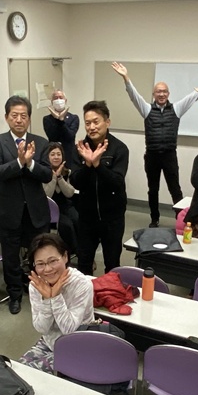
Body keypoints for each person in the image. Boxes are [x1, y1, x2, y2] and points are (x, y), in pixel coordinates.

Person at [111, 61, 198, 228]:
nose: (162, 94)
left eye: (164, 91)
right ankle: (154, 219)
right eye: (158, 91)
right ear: (154, 94)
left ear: (168, 93)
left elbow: (194, 96)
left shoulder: (177, 108)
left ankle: (181, 218)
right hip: (152, 156)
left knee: (175, 189)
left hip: (169, 155)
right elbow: (134, 95)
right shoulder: (147, 109)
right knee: (153, 189)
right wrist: (126, 78)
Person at [0, 95, 51, 314]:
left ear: (29, 118)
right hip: (9, 211)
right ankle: (14, 294)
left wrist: (30, 163)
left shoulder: (40, 142)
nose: (19, 120)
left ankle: (40, 291)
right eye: (14, 115)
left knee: (40, 255)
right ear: (7, 117)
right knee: (11, 257)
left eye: (23, 116)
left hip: (35, 211)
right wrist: (18, 162)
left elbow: (47, 175)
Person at [19, 233, 95, 374]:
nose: (48, 269)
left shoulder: (82, 284)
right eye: (40, 264)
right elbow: (41, 328)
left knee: (37, 375)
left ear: (65, 257)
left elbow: (69, 330)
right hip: (49, 343)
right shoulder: (36, 285)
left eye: (53, 261)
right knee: (19, 371)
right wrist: (46, 299)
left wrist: (55, 297)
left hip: (78, 345)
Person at [70, 100, 129, 275]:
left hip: (113, 217)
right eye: (87, 123)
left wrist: (97, 165)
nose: (92, 127)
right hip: (86, 217)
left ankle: (110, 292)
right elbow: (75, 182)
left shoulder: (119, 148)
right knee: (84, 262)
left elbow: (117, 182)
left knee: (112, 264)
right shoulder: (79, 149)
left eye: (96, 122)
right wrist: (88, 165)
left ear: (107, 122)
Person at [42, 144, 78, 257]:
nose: (56, 157)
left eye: (59, 154)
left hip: (66, 207)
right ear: (47, 157)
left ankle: (83, 250)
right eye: (52, 154)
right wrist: (53, 178)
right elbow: (47, 194)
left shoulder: (67, 172)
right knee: (67, 226)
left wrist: (59, 177)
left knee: (79, 221)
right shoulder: (43, 172)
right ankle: (75, 252)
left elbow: (70, 193)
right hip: (50, 210)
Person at [42, 89, 80, 166]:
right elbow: (52, 136)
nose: (58, 100)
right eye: (55, 98)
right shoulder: (47, 119)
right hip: (53, 155)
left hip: (69, 155)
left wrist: (61, 120)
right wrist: (56, 119)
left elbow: (70, 136)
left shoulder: (74, 118)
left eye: (61, 97)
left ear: (65, 100)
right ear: (52, 101)